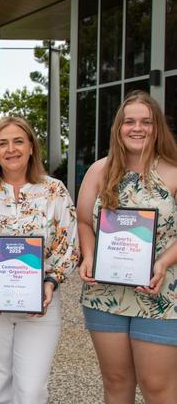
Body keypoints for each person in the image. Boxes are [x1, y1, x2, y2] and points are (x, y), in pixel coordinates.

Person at [0, 116, 78, 404]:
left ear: (32, 147)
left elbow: (68, 244)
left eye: (18, 141)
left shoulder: (54, 190)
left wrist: (50, 282)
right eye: (2, 143)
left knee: (32, 388)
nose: (11, 149)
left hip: (42, 303)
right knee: (0, 381)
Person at [78, 90, 177, 404]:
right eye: (129, 121)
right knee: (116, 382)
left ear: (157, 127)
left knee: (157, 387)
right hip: (105, 295)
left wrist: (162, 263)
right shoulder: (99, 171)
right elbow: (83, 221)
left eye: (146, 122)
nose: (138, 128)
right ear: (118, 128)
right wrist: (90, 256)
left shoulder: (173, 173)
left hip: (160, 294)